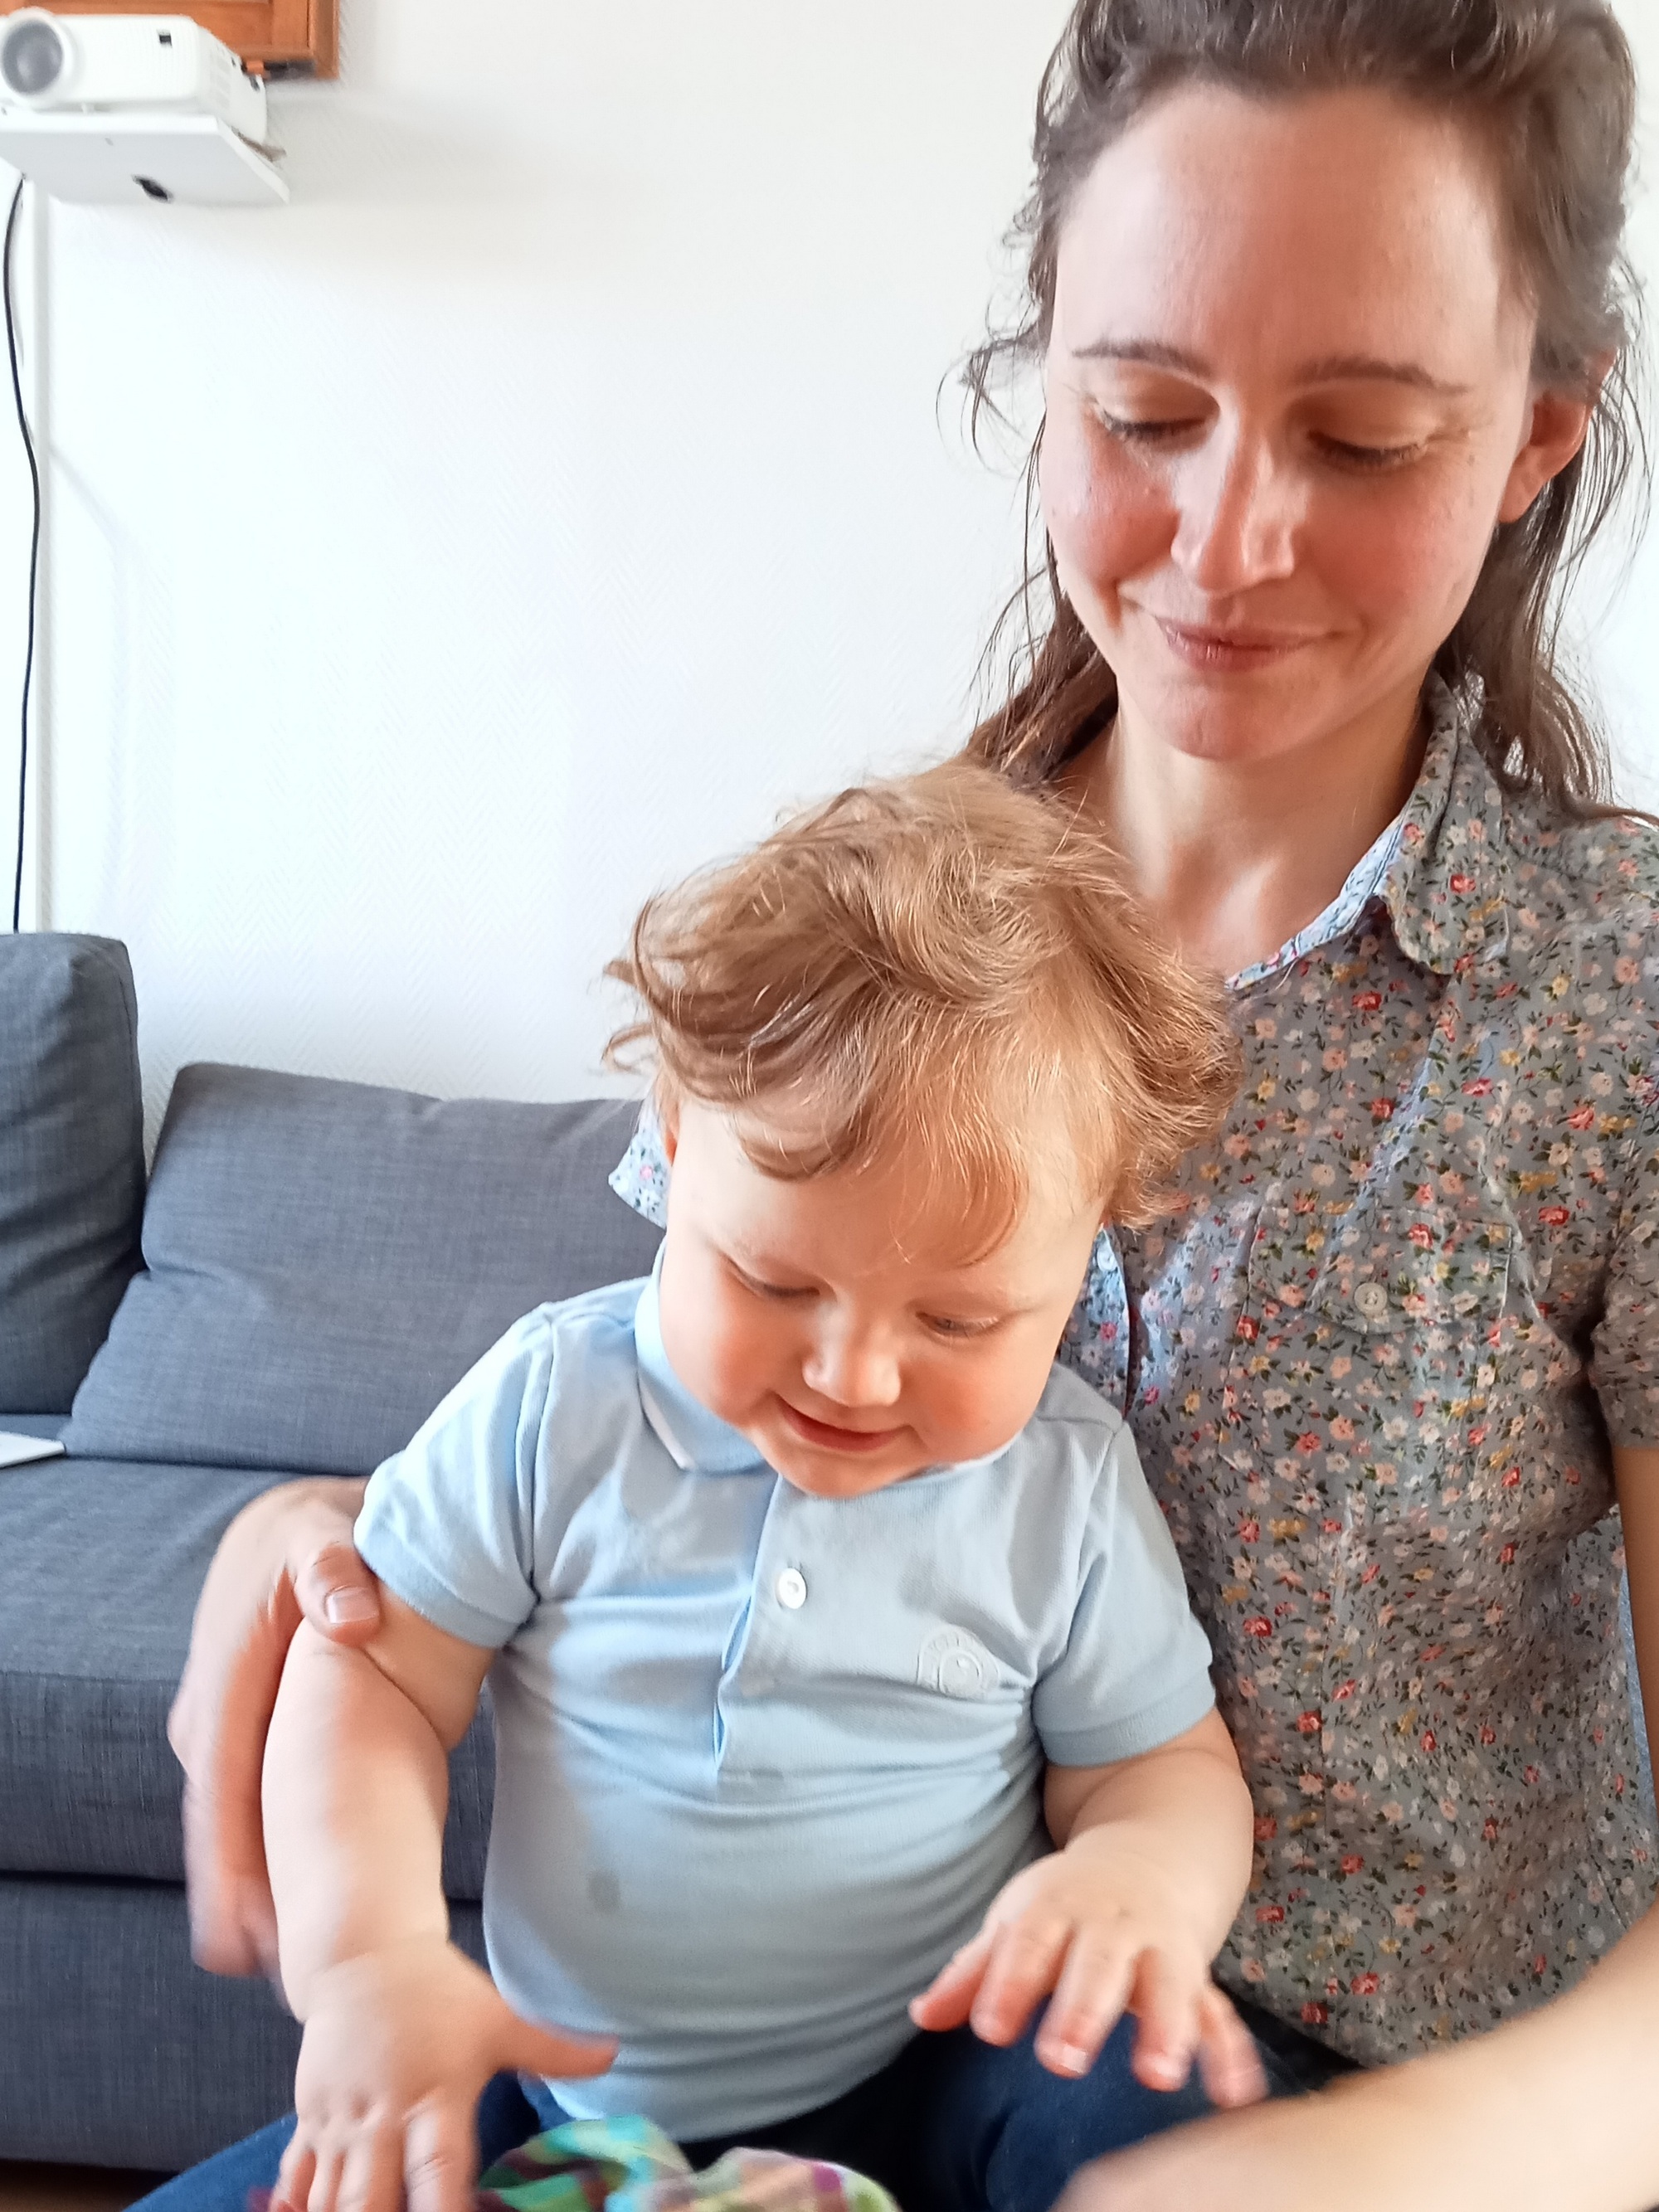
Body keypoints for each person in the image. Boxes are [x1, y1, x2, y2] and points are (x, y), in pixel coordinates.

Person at [168, 0, 1659, 2206]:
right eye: (1142, 411)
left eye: (1360, 439)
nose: (1228, 537)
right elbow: (658, 1426)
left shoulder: (1611, 1003)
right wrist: (317, 1551)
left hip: (1354, 2115)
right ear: (1038, 371)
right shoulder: (872, 924)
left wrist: (1345, 2172)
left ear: (1532, 441)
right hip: (718, 2078)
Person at [257, 766, 1262, 2212]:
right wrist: (370, 1958)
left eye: (959, 1321)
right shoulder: (555, 1404)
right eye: (775, 1281)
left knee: (1159, 2100)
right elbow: (373, 1682)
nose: (854, 1376)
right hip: (561, 2089)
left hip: (931, 2074)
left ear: (1088, 1254)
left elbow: (1160, 1768)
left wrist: (1141, 1882)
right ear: (673, 1140)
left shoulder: (1066, 1484)